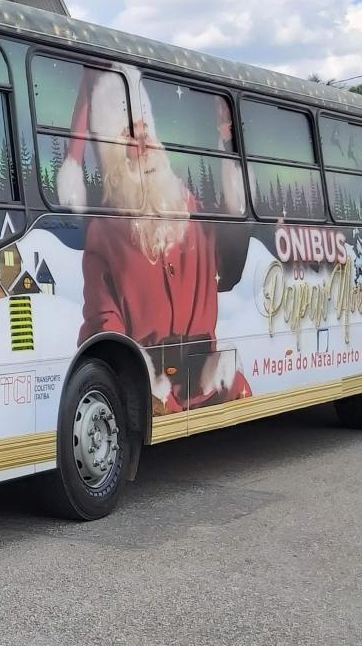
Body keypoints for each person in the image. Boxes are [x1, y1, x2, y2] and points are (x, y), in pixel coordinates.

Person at [62, 71, 248, 414]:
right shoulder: (104, 236)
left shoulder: (195, 214)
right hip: (155, 395)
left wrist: (228, 139)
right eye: (131, 140)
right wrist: (144, 379)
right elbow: (103, 326)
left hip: (216, 386)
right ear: (113, 159)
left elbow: (234, 244)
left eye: (147, 133)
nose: (144, 146)